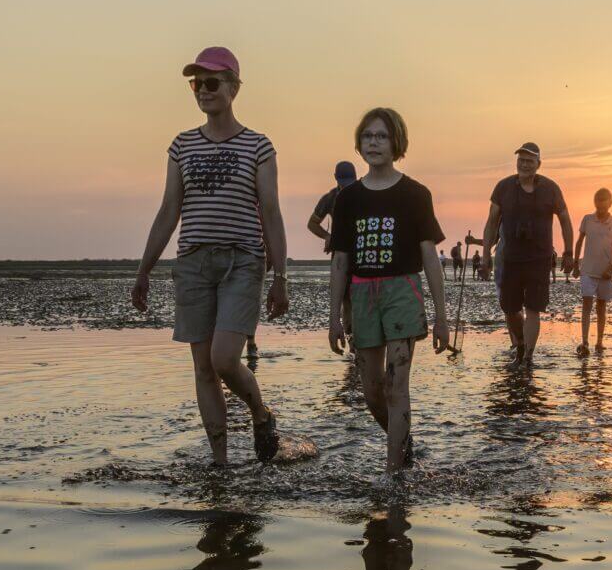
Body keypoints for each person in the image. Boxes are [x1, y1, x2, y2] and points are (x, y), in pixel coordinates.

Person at [131, 46, 290, 464]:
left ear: (234, 88)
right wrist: (144, 269)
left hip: (242, 261)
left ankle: (260, 412)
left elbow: (271, 212)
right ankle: (219, 463)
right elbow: (169, 210)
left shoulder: (258, 146)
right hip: (193, 264)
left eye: (212, 82)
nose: (203, 90)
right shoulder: (182, 146)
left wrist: (281, 278)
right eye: (197, 83)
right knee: (202, 368)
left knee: (224, 359)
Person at [325, 108, 451, 480]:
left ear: (396, 142)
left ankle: (393, 473)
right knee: (372, 392)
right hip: (363, 296)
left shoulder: (415, 194)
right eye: (367, 137)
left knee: (397, 384)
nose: (374, 143)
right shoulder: (348, 199)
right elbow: (340, 261)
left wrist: (442, 318)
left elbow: (430, 257)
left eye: (381, 136)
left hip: (402, 292)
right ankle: (404, 445)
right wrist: (334, 317)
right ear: (359, 144)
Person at [481, 142, 574, 367]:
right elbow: (492, 223)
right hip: (510, 259)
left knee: (533, 308)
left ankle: (528, 357)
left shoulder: (551, 189)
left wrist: (569, 252)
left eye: (529, 161)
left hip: (539, 259)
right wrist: (485, 257)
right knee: (510, 308)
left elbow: (565, 220)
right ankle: (520, 344)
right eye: (521, 160)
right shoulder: (503, 188)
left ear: (538, 164)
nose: (524, 164)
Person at [574, 188, 612, 356]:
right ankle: (585, 341)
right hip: (587, 271)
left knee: (601, 307)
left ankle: (600, 342)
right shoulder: (587, 219)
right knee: (586, 305)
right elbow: (579, 242)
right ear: (595, 204)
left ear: (610, 204)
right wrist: (575, 264)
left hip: (605, 274)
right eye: (598, 205)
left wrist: (610, 269)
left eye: (604, 206)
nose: (601, 209)